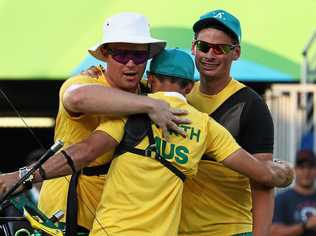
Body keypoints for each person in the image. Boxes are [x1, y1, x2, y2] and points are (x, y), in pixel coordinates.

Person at [0, 49, 293, 236]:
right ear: (190, 87)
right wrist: (284, 171)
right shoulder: (207, 127)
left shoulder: (131, 112)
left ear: (149, 79)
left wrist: (22, 177)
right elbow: (262, 174)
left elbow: (83, 153)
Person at [80, 9, 278, 235]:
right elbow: (114, 85)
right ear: (194, 47)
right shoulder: (167, 92)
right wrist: (95, 74)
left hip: (227, 229)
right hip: (176, 229)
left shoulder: (251, 106)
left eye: (220, 49)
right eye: (203, 46)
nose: (209, 55)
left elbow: (263, 181)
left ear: (236, 52)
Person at [0, 12, 185, 235]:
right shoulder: (85, 81)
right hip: (63, 215)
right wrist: (150, 104)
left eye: (138, 56)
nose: (130, 63)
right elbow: (77, 99)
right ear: (105, 54)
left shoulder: (151, 93)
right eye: (121, 54)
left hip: (119, 220)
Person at [271, 150, 316, 236]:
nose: (306, 172)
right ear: (295, 169)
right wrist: (305, 226)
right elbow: (273, 232)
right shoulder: (282, 199)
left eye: (310, 167)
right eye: (302, 167)